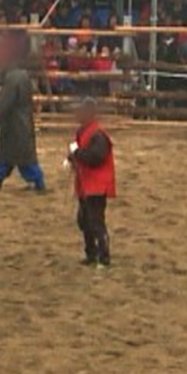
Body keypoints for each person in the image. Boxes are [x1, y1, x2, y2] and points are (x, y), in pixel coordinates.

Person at [67, 97, 117, 266]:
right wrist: (72, 157)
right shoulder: (83, 132)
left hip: (96, 185)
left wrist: (77, 154)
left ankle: (104, 256)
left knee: (95, 222)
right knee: (84, 220)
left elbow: (96, 157)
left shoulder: (98, 135)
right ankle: (91, 254)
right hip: (85, 184)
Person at [0, 47, 45, 190]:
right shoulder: (24, 76)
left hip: (14, 123)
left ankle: (37, 182)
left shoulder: (13, 79)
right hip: (24, 121)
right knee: (23, 155)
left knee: (15, 156)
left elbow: (4, 103)